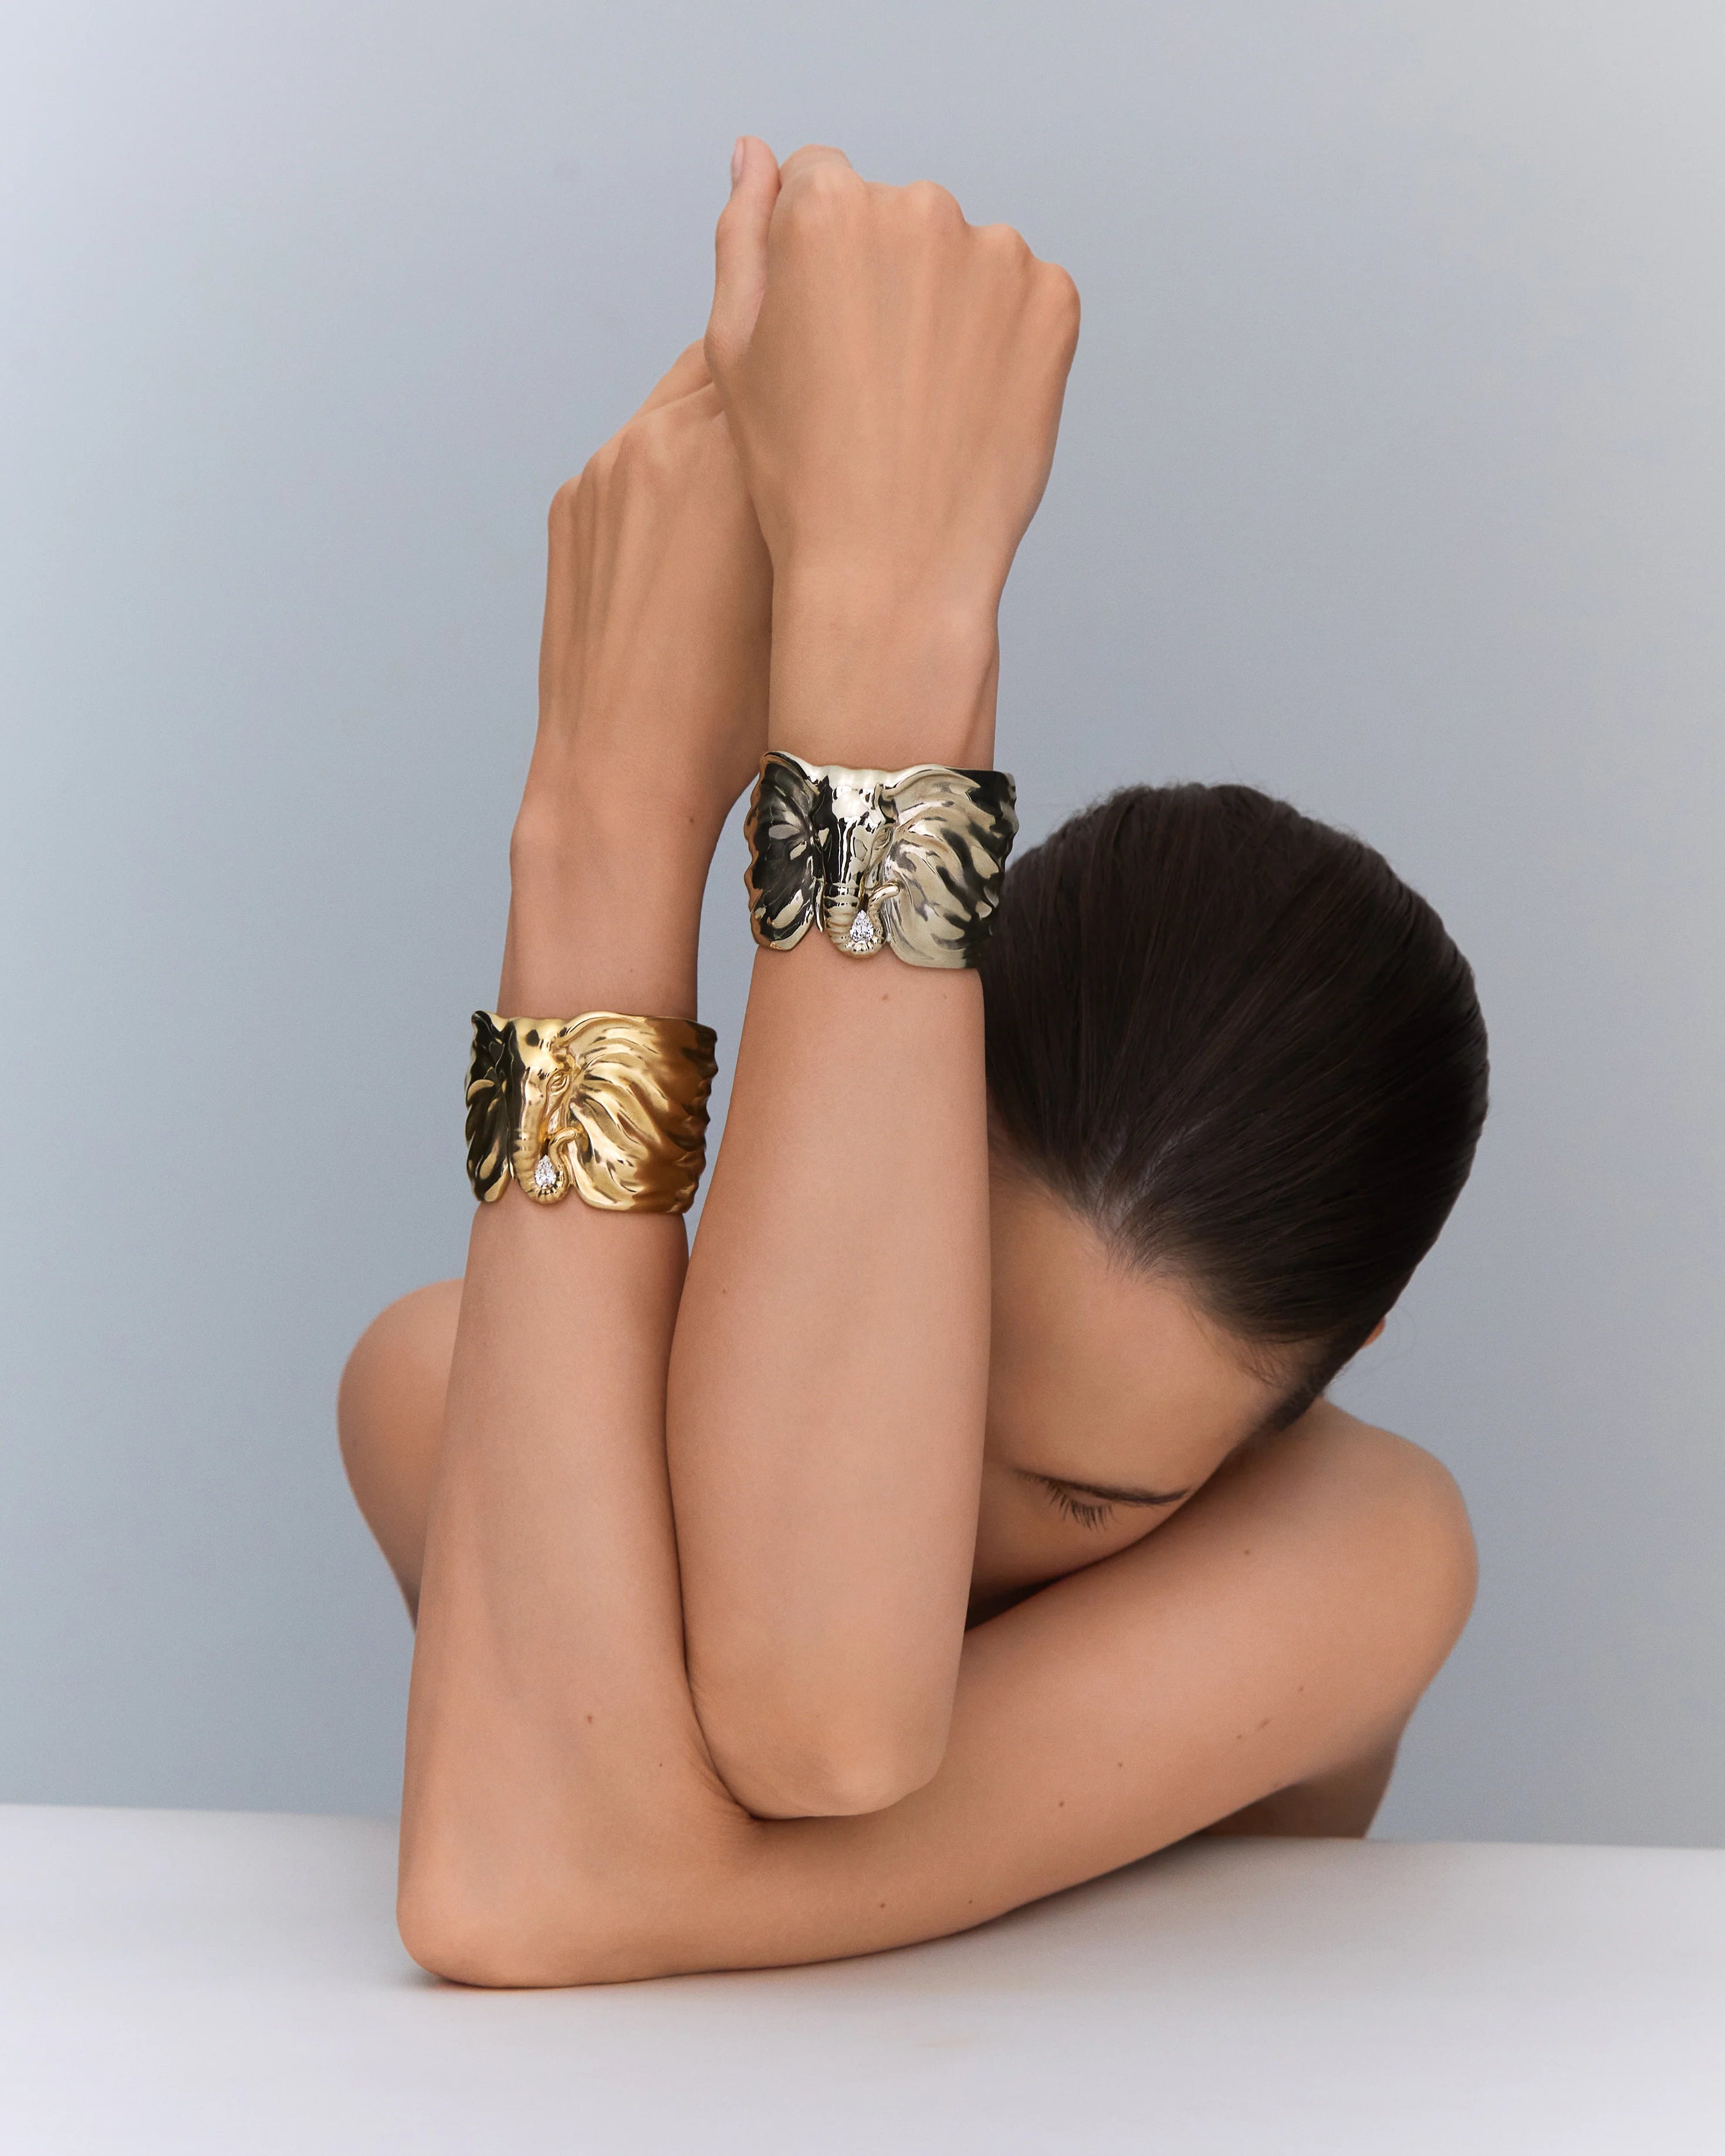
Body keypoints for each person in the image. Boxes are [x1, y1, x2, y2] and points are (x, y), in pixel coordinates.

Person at [338, 139, 1486, 1987]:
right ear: (868, 1107)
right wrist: (612, 827)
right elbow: (617, 1825)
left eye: (1080, 1493)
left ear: (1329, 1371)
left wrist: (706, 760)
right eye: (940, 1356)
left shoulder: (1359, 1549)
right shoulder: (440, 1377)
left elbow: (628, 1828)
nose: (925, 1517)